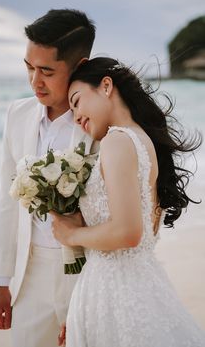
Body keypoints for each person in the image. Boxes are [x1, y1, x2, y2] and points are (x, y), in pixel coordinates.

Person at [51, 57, 205, 347]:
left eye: (76, 102)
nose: (75, 117)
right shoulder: (139, 140)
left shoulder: (117, 141)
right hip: (132, 285)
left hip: (117, 295)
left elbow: (128, 232)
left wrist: (70, 233)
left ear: (106, 86)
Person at [0, 9, 96, 347]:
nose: (35, 81)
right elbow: (7, 204)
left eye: (46, 71)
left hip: (86, 272)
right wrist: (0, 280)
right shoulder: (17, 114)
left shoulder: (99, 124)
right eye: (29, 67)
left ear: (79, 67)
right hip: (30, 271)